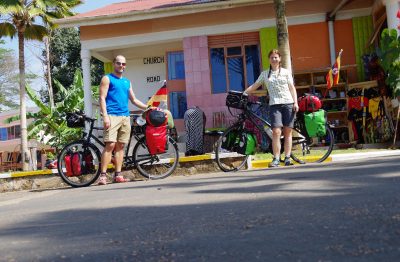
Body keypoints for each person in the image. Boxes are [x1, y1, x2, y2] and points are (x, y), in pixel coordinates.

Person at [244, 49, 299, 167]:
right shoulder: (265, 74)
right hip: (274, 105)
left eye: (276, 57)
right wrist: (244, 93)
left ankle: (288, 157)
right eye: (272, 57)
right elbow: (255, 86)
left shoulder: (285, 72)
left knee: (288, 132)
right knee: (276, 132)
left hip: (288, 103)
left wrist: (295, 102)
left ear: (279, 59)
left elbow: (292, 88)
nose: (274, 59)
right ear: (269, 59)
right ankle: (276, 159)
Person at [98, 55, 148, 185]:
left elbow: (134, 100)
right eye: (119, 63)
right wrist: (105, 117)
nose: (121, 66)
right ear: (114, 63)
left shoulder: (127, 82)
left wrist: (148, 107)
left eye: (124, 64)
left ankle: (118, 174)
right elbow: (102, 98)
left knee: (120, 147)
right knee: (110, 145)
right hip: (112, 116)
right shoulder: (107, 78)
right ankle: (103, 176)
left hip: (125, 117)